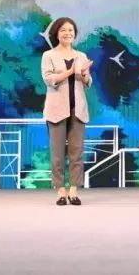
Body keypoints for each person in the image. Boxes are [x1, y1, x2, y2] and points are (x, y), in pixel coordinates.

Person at [40, 16, 93, 206]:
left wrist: (84, 74)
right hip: (56, 109)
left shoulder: (81, 56)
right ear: (56, 34)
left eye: (71, 30)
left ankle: (74, 190)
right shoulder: (49, 55)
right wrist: (71, 71)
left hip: (78, 109)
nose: (67, 33)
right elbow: (49, 79)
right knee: (57, 152)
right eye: (63, 30)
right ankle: (60, 190)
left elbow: (88, 82)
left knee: (77, 151)